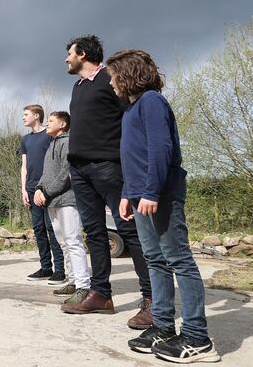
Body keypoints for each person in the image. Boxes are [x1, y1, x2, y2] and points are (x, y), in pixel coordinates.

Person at [108, 49, 219, 362]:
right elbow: (133, 158)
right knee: (154, 259)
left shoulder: (151, 102)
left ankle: (198, 337)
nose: (112, 84)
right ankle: (163, 326)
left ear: (128, 74)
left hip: (161, 193)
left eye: (114, 77)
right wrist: (128, 194)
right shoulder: (129, 111)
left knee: (178, 259)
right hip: (141, 195)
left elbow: (160, 150)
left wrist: (152, 192)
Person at [59, 35, 153, 331]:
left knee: (129, 231)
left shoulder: (109, 80)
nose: (66, 59)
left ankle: (151, 299)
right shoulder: (78, 86)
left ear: (82, 54)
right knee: (94, 233)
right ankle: (101, 294)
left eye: (69, 54)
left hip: (110, 167)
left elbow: (131, 121)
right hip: (81, 170)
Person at [33, 111, 91, 305]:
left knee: (73, 241)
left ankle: (84, 285)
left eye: (51, 121)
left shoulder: (67, 143)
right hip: (52, 201)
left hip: (67, 200)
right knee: (63, 242)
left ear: (63, 124)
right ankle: (73, 281)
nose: (47, 124)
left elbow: (67, 173)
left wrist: (47, 192)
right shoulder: (51, 144)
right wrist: (39, 189)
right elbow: (46, 173)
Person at [20, 104, 65, 284]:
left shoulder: (49, 134)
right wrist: (23, 189)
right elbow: (24, 165)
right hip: (30, 189)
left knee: (52, 228)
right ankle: (46, 267)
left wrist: (49, 187)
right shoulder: (25, 139)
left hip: (48, 188)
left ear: (36, 115)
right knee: (38, 229)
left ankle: (60, 270)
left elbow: (56, 159)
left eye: (26, 114)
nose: (23, 117)